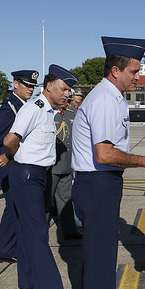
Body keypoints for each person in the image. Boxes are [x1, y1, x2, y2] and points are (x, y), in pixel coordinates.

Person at [71, 36, 145, 289]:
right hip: (97, 185)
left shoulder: (111, 96)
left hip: (102, 186)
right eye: (134, 72)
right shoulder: (104, 100)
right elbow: (105, 153)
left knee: (102, 262)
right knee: (99, 265)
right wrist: (144, 161)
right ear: (116, 70)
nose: (138, 77)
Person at [3, 64, 77, 289]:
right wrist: (19, 160)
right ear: (49, 87)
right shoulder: (33, 109)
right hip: (28, 175)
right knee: (37, 232)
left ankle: (27, 280)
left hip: (36, 174)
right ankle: (48, 287)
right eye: (64, 89)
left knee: (27, 231)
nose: (68, 94)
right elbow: (9, 140)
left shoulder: (48, 111)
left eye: (69, 90)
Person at [0, 70, 38, 263]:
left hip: (19, 164)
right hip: (11, 165)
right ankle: (4, 250)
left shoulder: (24, 106)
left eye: (32, 86)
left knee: (15, 208)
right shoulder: (9, 109)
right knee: (13, 208)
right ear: (16, 84)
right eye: (27, 85)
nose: (30, 89)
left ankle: (6, 248)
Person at [48, 96, 82, 239]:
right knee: (45, 201)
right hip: (52, 165)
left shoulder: (70, 114)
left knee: (66, 198)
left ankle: (70, 230)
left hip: (67, 163)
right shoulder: (48, 113)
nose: (65, 100)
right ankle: (38, 236)